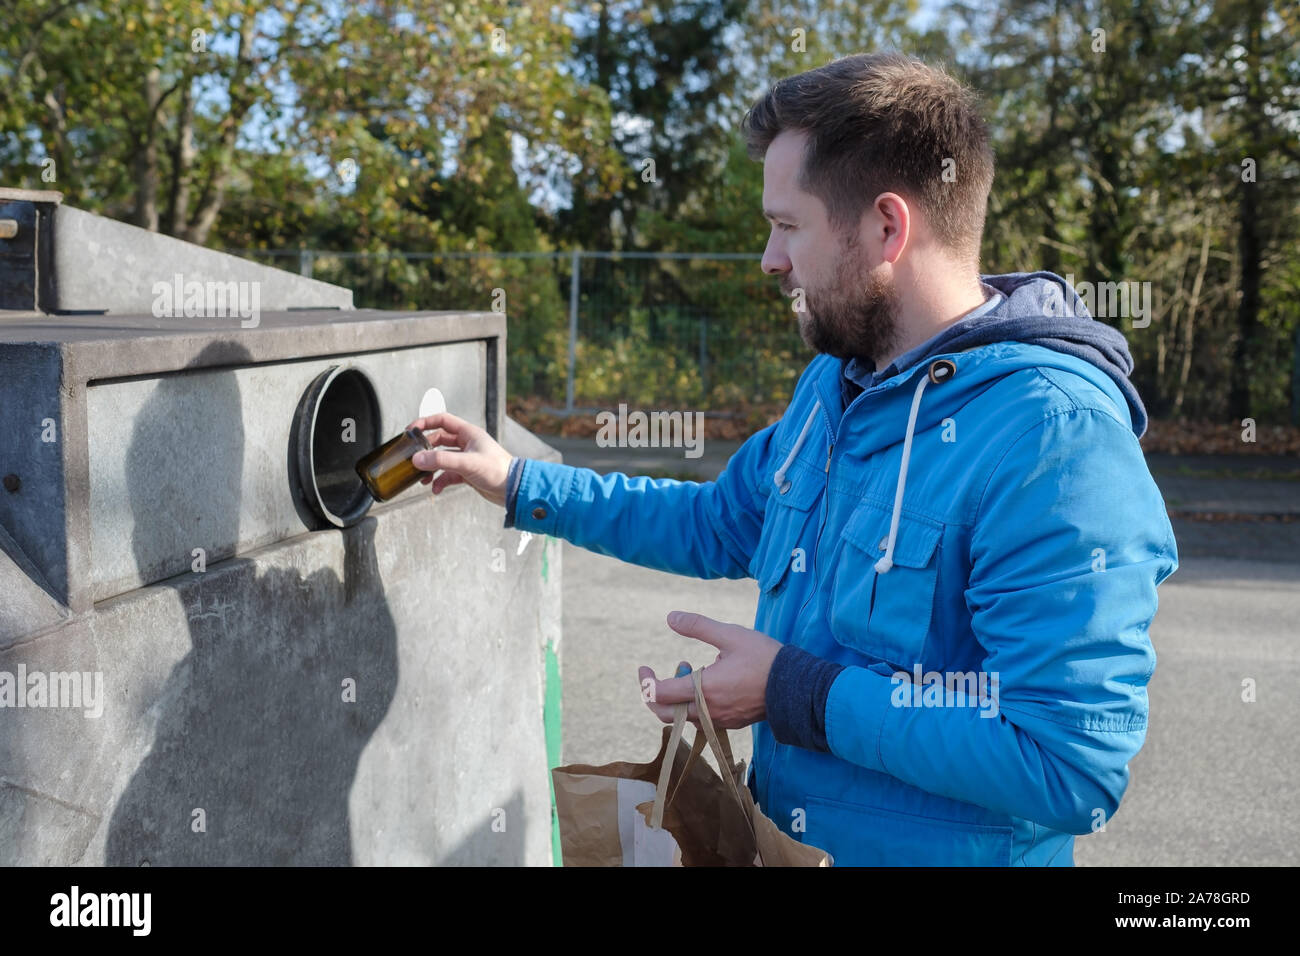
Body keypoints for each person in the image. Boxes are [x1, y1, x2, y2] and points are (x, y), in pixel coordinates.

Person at [406, 52, 1179, 866]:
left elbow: (1068, 765)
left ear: (887, 227)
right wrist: (518, 482)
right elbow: (715, 522)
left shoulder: (1054, 438)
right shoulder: (835, 385)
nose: (770, 260)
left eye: (787, 226)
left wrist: (795, 693)